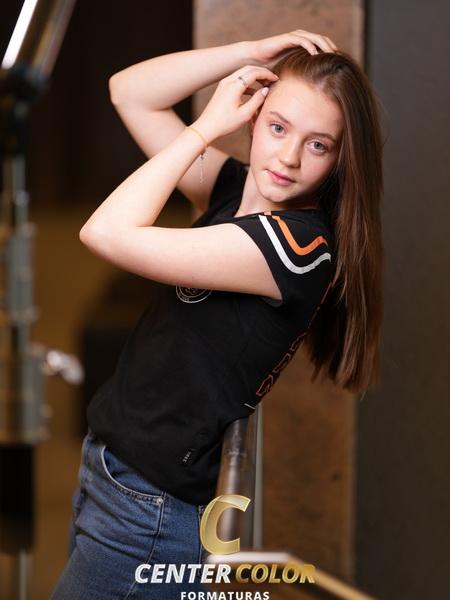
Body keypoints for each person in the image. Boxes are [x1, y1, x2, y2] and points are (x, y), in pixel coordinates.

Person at [50, 28, 384, 599]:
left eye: (318, 145)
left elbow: (103, 232)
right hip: (113, 471)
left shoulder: (295, 249)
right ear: (254, 117)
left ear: (339, 160)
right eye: (278, 127)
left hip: (148, 512)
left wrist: (205, 128)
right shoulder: (233, 191)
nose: (288, 157)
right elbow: (129, 91)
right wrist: (248, 54)